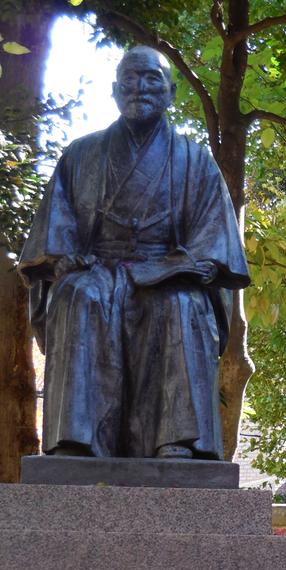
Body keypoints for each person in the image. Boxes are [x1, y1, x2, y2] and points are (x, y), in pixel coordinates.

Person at [18, 46, 250, 460]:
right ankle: (76, 440)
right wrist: (64, 258)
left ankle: (179, 441)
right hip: (97, 267)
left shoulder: (195, 160)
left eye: (151, 79)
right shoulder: (81, 155)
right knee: (77, 296)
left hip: (167, 269)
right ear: (113, 90)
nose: (139, 88)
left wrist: (187, 266)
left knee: (180, 305)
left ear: (171, 92)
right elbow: (56, 231)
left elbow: (214, 241)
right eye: (129, 79)